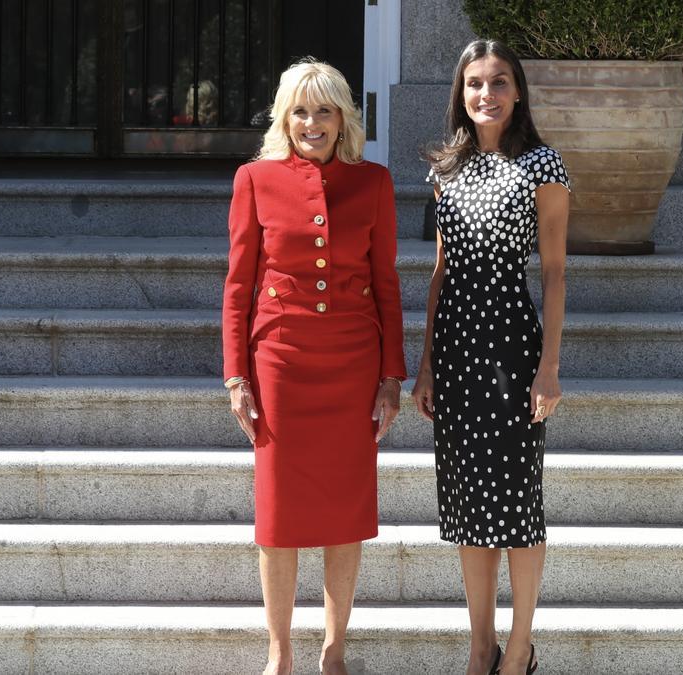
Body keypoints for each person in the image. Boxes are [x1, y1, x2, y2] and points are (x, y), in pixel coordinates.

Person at [221, 59, 406, 675]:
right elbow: (238, 286)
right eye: (300, 111)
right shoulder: (254, 179)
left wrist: (391, 378)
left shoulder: (373, 182)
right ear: (284, 117)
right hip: (280, 359)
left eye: (324, 110)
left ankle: (334, 649)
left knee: (345, 507)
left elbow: (386, 284)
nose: (311, 123)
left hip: (353, 362)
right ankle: (279, 652)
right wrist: (236, 376)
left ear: (342, 118)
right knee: (278, 510)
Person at [412, 39, 570, 675]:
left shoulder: (543, 165)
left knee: (518, 503)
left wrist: (550, 366)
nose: (486, 94)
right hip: (455, 350)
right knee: (468, 504)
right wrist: (424, 363)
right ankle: (480, 648)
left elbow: (555, 275)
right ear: (461, 93)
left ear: (518, 91)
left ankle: (521, 646)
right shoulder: (446, 169)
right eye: (474, 83)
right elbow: (440, 274)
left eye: (498, 82)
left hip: (511, 345)